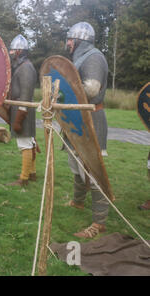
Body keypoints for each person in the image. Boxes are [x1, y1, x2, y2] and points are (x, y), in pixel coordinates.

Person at [65, 22, 110, 238]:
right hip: (78, 119)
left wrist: (64, 92)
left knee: (93, 170)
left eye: (69, 39)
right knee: (76, 163)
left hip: (91, 119)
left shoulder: (94, 56)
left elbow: (91, 89)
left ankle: (99, 223)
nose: (67, 43)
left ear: (78, 40)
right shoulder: (81, 57)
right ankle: (78, 202)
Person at [6, 34, 38, 187]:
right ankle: (32, 173)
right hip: (21, 109)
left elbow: (25, 95)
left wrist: (19, 118)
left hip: (22, 110)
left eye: (13, 51)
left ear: (19, 52)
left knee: (25, 143)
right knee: (29, 142)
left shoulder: (26, 68)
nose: (11, 53)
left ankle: (23, 178)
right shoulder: (22, 66)